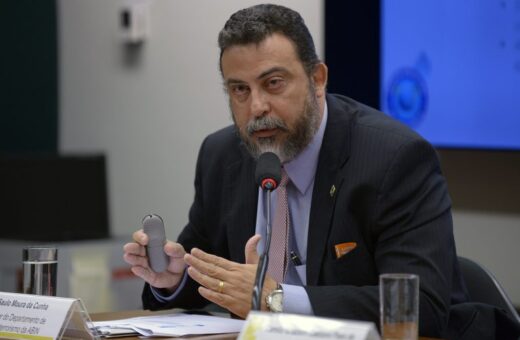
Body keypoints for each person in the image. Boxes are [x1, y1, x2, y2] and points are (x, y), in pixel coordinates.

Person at [123, 4, 469, 338]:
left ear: (317, 79)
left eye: (273, 83)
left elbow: (421, 306)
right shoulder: (222, 156)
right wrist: (174, 278)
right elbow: (211, 277)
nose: (257, 107)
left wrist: (275, 299)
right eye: (239, 90)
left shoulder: (393, 158)